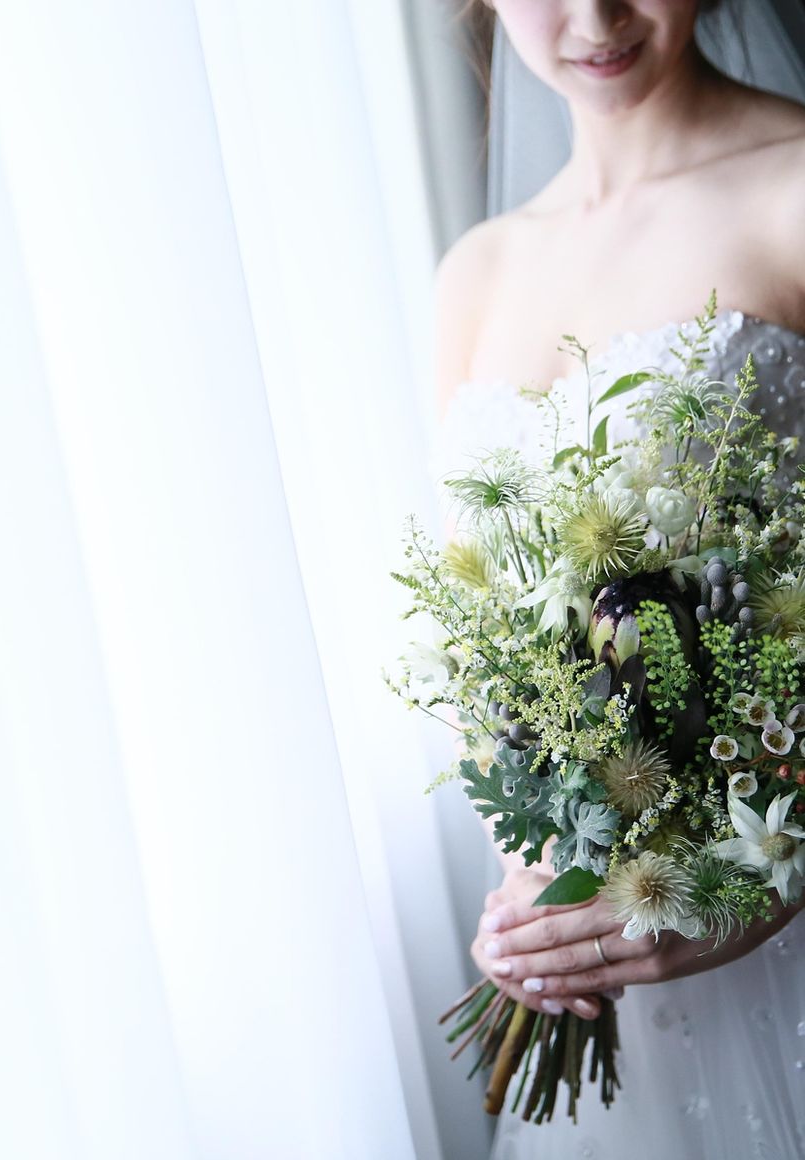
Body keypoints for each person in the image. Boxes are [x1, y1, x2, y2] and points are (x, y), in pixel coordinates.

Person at [435, 1, 805, 1154]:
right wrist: (528, 903)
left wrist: (764, 874)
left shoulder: (790, 190)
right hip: (605, 957)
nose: (594, 17)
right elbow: (477, 630)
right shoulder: (476, 272)